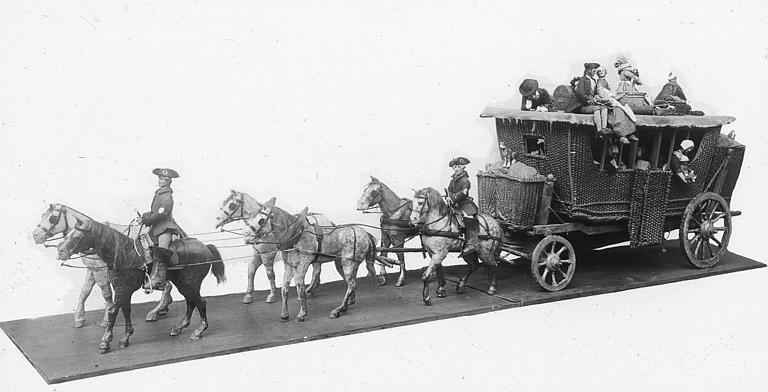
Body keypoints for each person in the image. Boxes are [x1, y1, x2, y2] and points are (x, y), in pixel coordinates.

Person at [139, 168, 183, 290]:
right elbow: (155, 211)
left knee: (161, 252)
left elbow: (163, 212)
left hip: (165, 227)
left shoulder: (167, 195)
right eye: (160, 178)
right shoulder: (159, 193)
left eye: (164, 179)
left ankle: (158, 280)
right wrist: (145, 216)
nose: (161, 181)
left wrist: (150, 219)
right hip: (157, 227)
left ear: (169, 181)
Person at [447, 157, 479, 257]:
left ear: (463, 168)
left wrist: (453, 198)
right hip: (454, 204)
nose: (456, 169)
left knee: (468, 217)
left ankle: (471, 243)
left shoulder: (465, 181)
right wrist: (448, 197)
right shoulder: (452, 180)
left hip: (465, 204)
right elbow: (449, 190)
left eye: (458, 167)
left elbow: (463, 193)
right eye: (454, 167)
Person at [567, 62, 609, 136]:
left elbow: (595, 93)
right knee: (596, 109)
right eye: (594, 70)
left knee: (604, 108)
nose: (595, 72)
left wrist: (598, 98)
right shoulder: (582, 80)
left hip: (592, 104)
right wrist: (588, 100)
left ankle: (604, 129)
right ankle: (599, 130)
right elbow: (580, 93)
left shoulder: (594, 81)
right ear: (588, 70)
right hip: (582, 105)